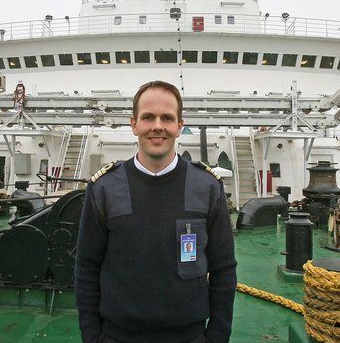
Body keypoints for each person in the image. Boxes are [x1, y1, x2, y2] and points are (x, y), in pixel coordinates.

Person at [75, 80, 237, 343]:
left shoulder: (207, 187)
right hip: (117, 336)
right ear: (134, 124)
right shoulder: (104, 188)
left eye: (167, 118)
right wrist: (92, 337)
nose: (158, 126)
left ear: (179, 126)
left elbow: (224, 268)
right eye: (148, 117)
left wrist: (217, 337)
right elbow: (86, 267)